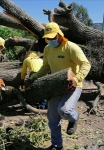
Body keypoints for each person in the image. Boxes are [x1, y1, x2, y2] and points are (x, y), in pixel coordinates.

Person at [28, 22, 91, 150]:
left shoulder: (70, 47)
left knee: (65, 110)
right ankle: (57, 145)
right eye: (48, 38)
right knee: (52, 118)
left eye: (52, 37)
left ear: (59, 34)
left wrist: (76, 78)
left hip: (73, 86)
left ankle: (74, 118)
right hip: (55, 86)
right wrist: (33, 77)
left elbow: (86, 64)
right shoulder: (48, 49)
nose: (50, 40)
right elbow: (45, 67)